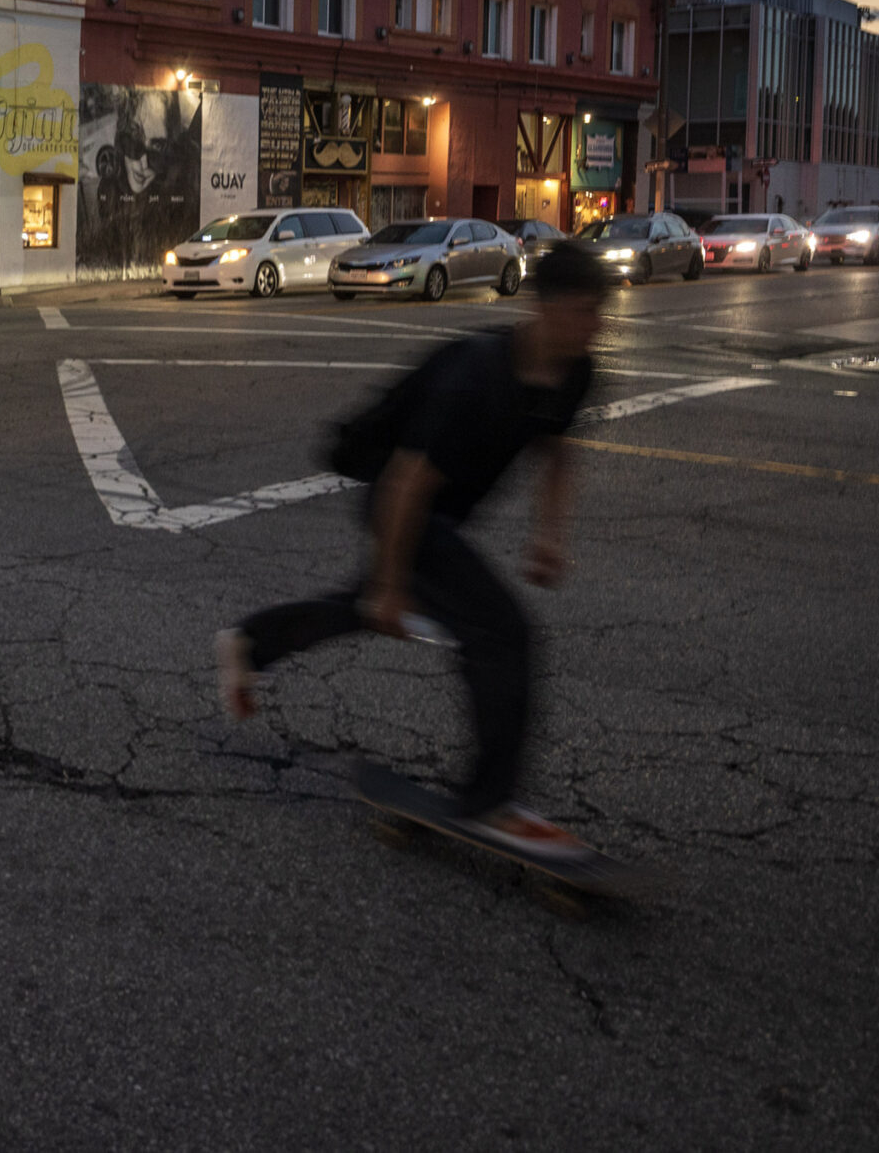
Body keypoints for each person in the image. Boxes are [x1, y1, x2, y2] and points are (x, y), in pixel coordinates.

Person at [215, 244, 610, 857]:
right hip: (401, 504)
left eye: (600, 313)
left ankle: (251, 643)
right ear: (544, 307)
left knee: (374, 605)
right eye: (584, 312)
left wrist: (549, 536)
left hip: (441, 515)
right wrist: (391, 584)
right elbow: (405, 484)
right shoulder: (477, 375)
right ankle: (490, 803)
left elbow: (557, 451)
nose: (596, 326)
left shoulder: (575, 371)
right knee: (501, 632)